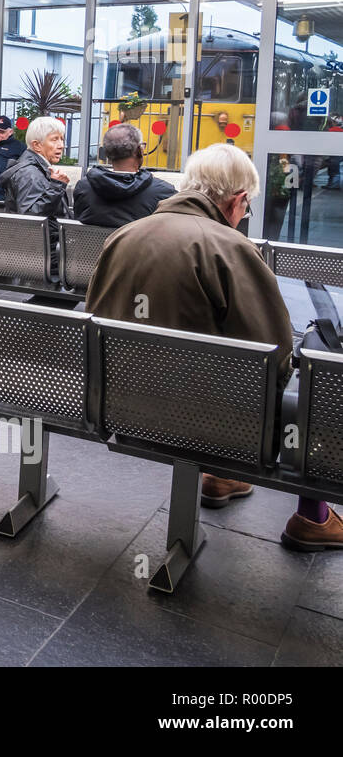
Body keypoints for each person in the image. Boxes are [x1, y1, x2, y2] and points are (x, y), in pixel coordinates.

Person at [85, 143, 341, 550]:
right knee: (321, 390)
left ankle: (221, 477)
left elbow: (94, 316)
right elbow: (273, 356)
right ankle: (313, 518)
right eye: (247, 208)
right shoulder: (231, 247)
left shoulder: (123, 236)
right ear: (237, 200)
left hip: (117, 405)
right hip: (211, 423)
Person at [73, 122, 176, 227]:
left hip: (93, 243)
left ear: (107, 153)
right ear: (138, 151)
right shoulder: (164, 192)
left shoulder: (84, 187)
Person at [0, 115, 72, 219]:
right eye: (54, 139)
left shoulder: (36, 169)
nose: (61, 145)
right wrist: (56, 188)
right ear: (37, 145)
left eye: (62, 139)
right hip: (47, 235)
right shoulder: (29, 173)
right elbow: (30, 218)